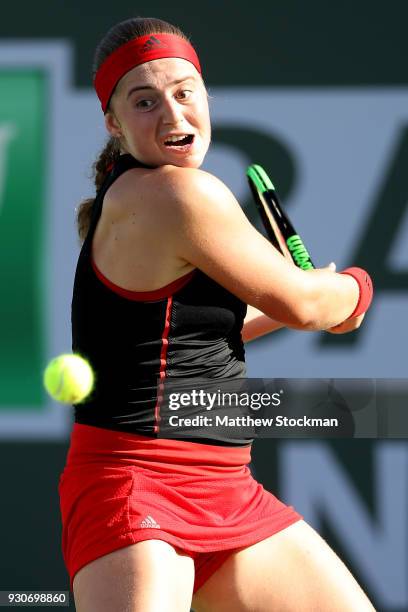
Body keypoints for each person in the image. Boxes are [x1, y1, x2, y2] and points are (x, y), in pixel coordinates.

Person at [59, 16, 375, 612]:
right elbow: (307, 306)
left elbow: (190, 330)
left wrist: (305, 298)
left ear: (207, 96)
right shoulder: (180, 192)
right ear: (114, 123)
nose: (174, 116)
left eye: (185, 93)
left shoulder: (138, 195)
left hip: (227, 489)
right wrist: (354, 289)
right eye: (145, 101)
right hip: (135, 485)